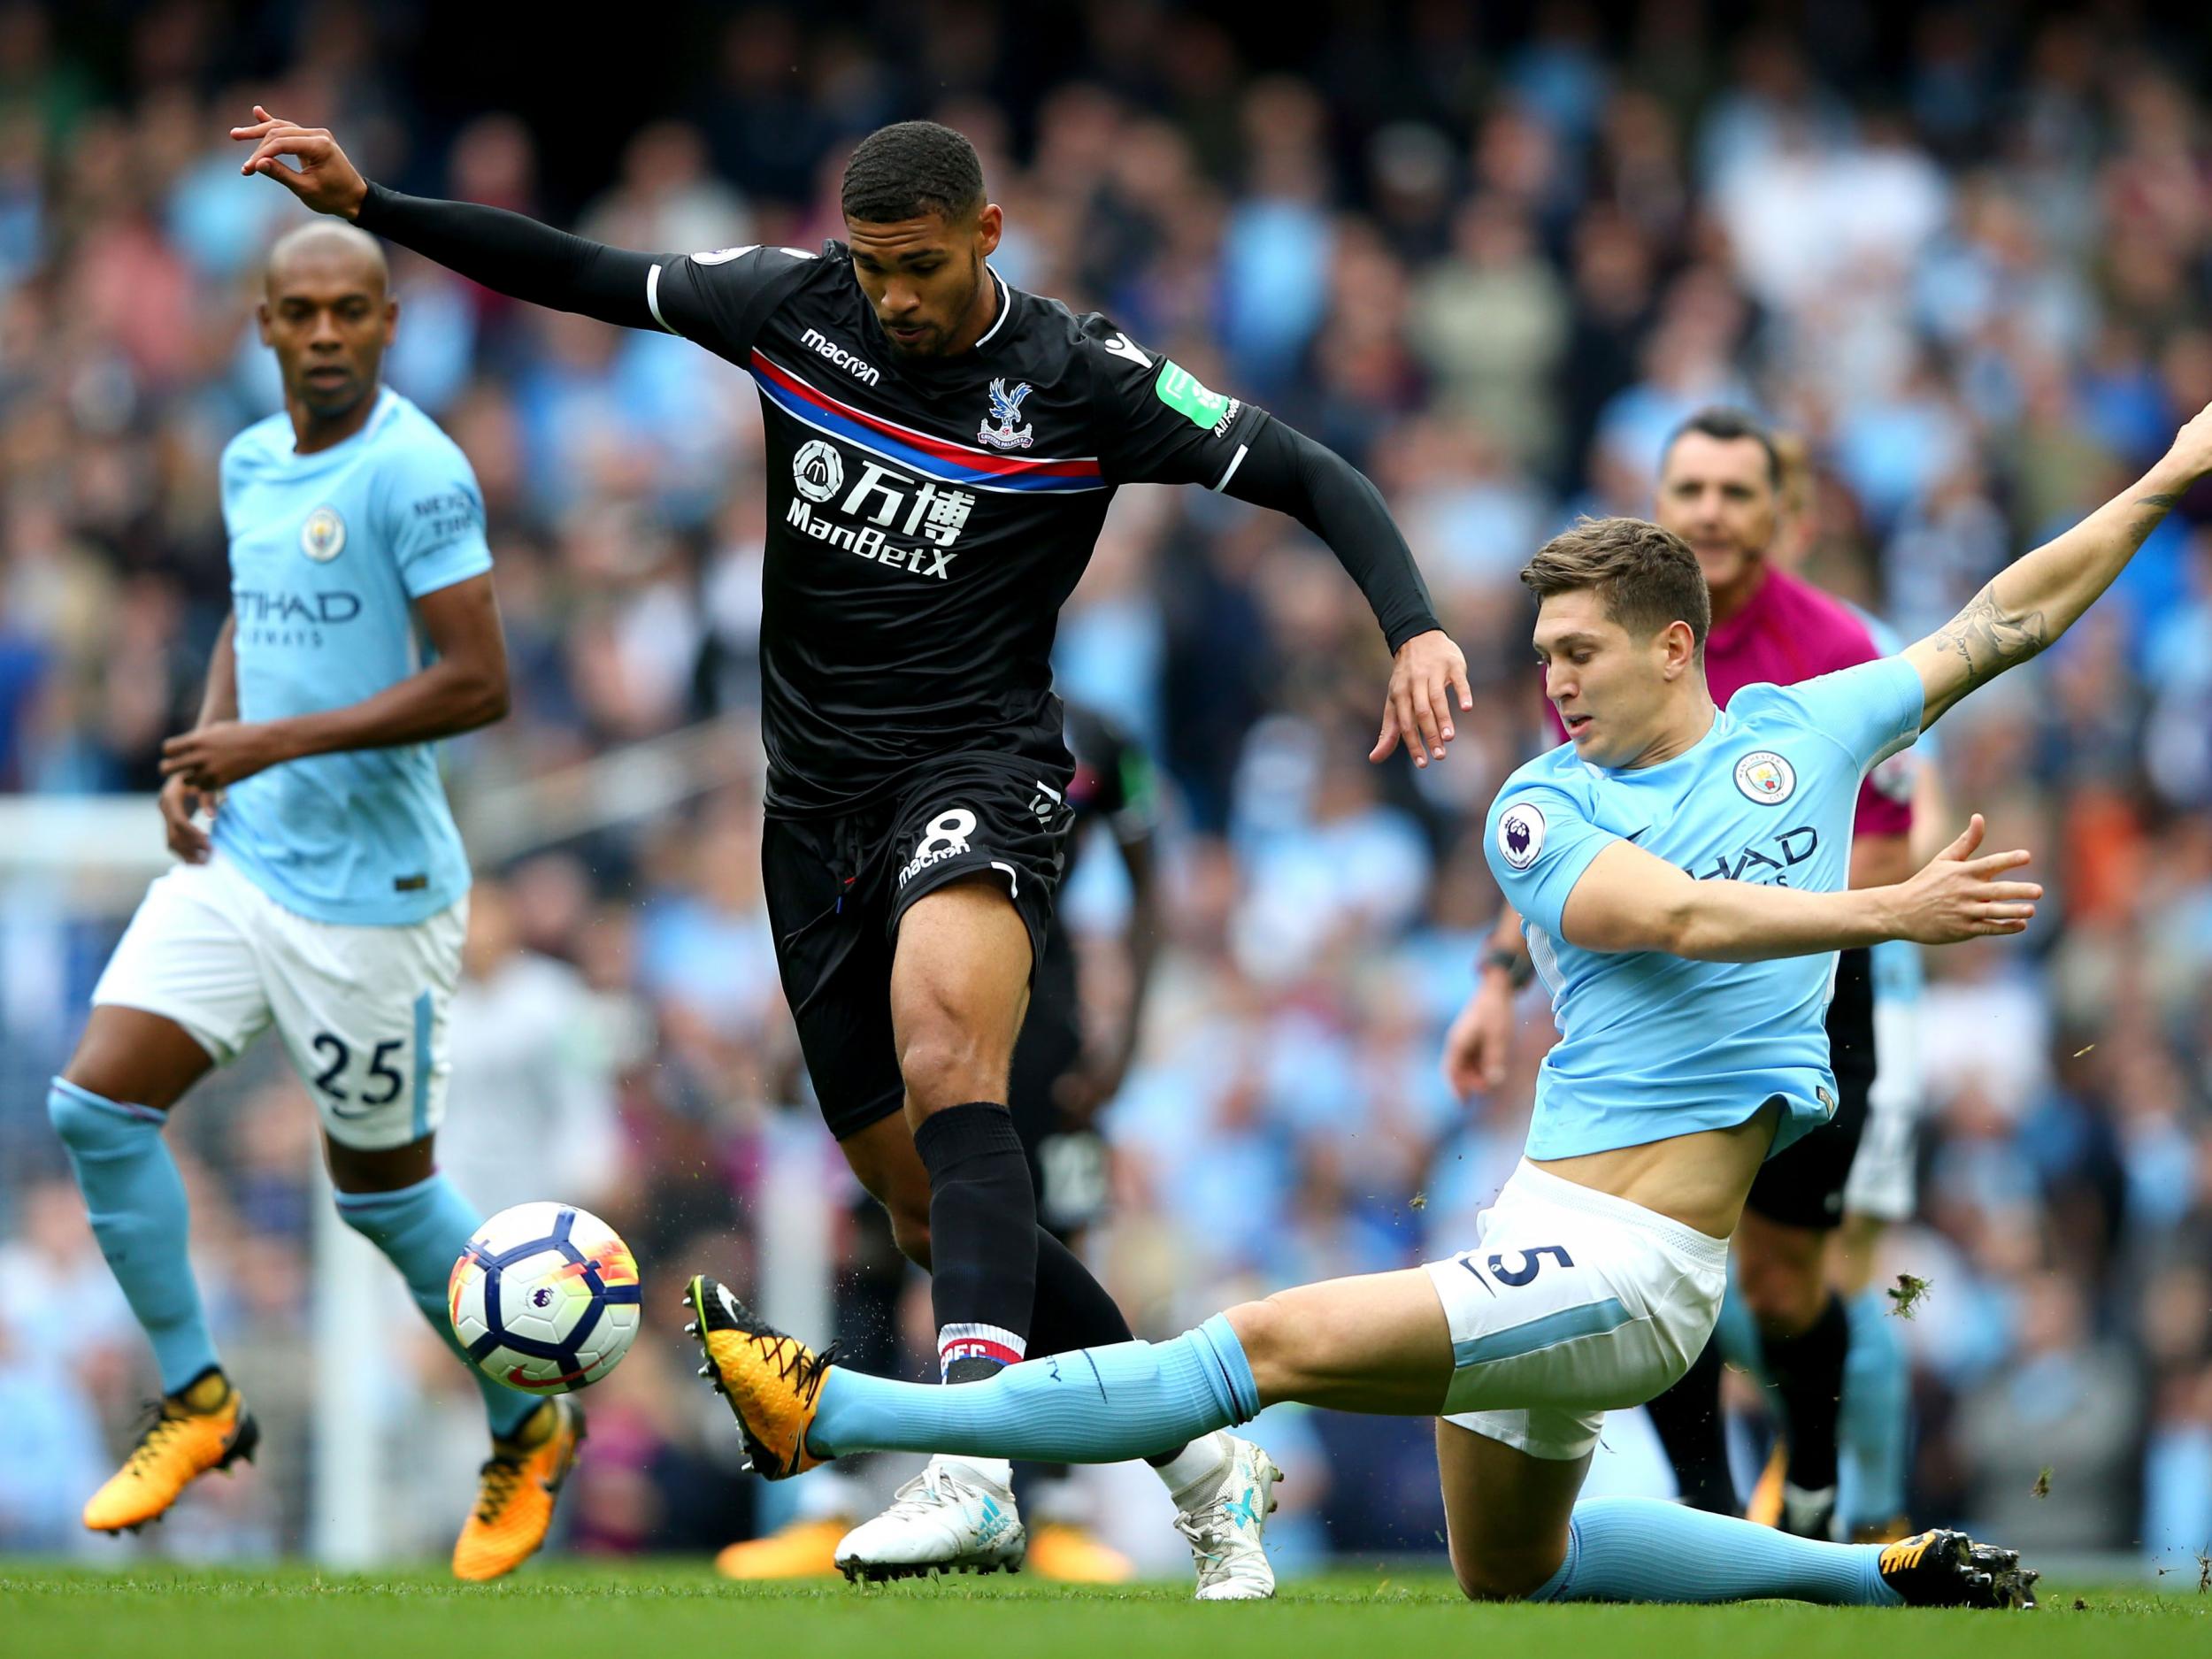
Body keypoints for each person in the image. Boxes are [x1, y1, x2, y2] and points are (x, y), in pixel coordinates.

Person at [681, 401, 2212, 1606]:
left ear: (1674, 645)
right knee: (1518, 1572)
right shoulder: (1541, 812)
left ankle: (841, 1414)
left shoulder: (1805, 727)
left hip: (1647, 1265)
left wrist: (2162, 481)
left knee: (1259, 1344)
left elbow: (2005, 620)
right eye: (1540, 653)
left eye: (1578, 652)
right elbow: (1669, 918)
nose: (1549, 683)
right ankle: (1875, 1576)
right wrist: (1890, 908)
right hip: (1539, 1223)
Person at [233, 109, 1470, 1596]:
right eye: (875, 267)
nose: (894, 298)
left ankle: (973, 1466)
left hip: (981, 772)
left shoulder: (1084, 377)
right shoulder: (790, 309)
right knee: (916, 1201)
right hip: (807, 809)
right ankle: (1203, 1450)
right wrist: (373, 201)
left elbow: (1312, 475)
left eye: (922, 266)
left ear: (987, 234)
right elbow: (576, 270)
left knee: (959, 1065)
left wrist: (1414, 626)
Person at [45, 223, 579, 1581]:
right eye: (302, 312)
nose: (328, 332)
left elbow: (479, 682)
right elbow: (256, 607)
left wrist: (267, 745)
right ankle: (199, 1401)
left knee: (387, 1202)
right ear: (265, 323)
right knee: (94, 1106)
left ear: (390, 320)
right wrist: (205, 745)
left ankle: (529, 1419)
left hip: (377, 898)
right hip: (250, 857)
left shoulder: (417, 471)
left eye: (352, 310)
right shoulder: (246, 454)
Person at [1446, 409, 1914, 1537]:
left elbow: (1888, 839)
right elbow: (1573, 862)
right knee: (1658, 1252)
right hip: (1663, 978)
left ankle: (1810, 1486)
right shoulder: (1600, 648)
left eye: (1734, 493)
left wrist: (1788, 912)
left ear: (1779, 515)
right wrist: (1496, 983)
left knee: (1783, 1285)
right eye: (1687, 489)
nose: (1708, 511)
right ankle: (1704, 1499)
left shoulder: (1832, 651)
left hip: (1810, 983)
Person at [718, 700, 1162, 1583]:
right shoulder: (913, 710)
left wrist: (1126, 1039)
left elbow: (1153, 885)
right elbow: (830, 883)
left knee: (1058, 1245)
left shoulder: (1106, 741)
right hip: (908, 1009)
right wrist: (791, 1033)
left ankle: (1058, 1507)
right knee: (881, 1247)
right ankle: (829, 1504)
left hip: (1047, 1031)